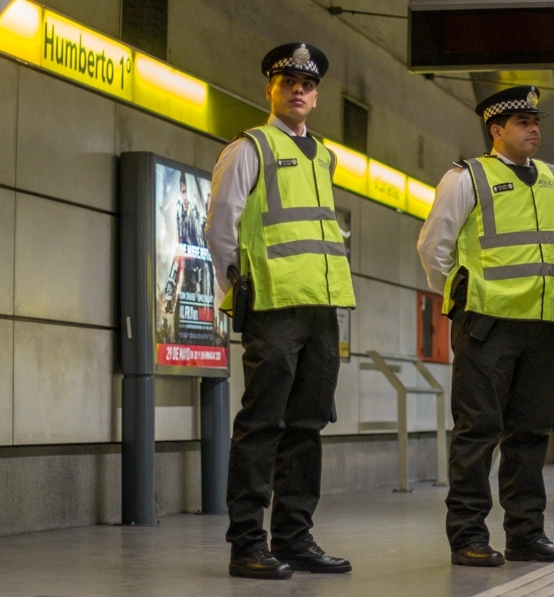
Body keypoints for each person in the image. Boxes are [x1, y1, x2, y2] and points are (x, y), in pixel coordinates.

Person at [205, 43, 355, 580]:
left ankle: (294, 539)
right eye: (288, 81)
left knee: (308, 425)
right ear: (270, 89)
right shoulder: (250, 148)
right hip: (272, 306)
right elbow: (221, 225)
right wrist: (239, 288)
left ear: (315, 98)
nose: (298, 90)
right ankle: (247, 543)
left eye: (307, 84)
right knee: (262, 424)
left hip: (320, 308)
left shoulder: (323, 155)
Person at [417, 85, 554, 567]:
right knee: (478, 431)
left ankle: (527, 534)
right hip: (487, 323)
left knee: (530, 434)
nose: (534, 129)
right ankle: (467, 535)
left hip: (541, 324)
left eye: (536, 121)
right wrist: (462, 299)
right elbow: (433, 247)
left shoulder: (552, 178)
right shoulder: (467, 177)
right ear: (496, 130)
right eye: (523, 123)